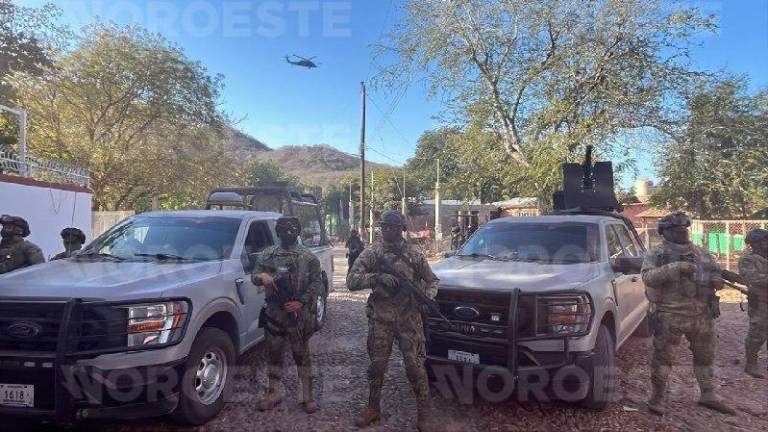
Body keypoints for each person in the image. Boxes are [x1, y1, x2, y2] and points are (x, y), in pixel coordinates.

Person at [347, 209, 439, 431]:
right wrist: (377, 277)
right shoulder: (372, 254)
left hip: (409, 320)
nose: (387, 230)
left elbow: (432, 280)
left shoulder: (414, 255)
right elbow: (351, 280)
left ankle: (425, 413)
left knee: (415, 367)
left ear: (402, 229)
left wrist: (425, 297)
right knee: (376, 367)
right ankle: (372, 408)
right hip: (381, 319)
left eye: (393, 227)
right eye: (384, 226)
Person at [641, 211, 735, 415]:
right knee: (664, 358)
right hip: (670, 315)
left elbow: (714, 273)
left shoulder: (702, 252)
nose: (682, 232)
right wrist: (676, 267)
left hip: (702, 315)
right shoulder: (657, 254)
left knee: (706, 357)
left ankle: (708, 395)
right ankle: (657, 398)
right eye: (676, 229)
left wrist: (717, 281)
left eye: (684, 228)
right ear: (665, 232)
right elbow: (648, 277)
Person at [251, 216, 322, 414]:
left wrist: (302, 301)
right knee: (274, 353)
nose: (288, 232)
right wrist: (261, 277)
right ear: (277, 231)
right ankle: (274, 392)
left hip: (298, 314)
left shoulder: (308, 257)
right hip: (274, 313)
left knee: (301, 354)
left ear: (298, 231)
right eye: (283, 229)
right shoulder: (268, 254)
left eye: (292, 229)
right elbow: (254, 274)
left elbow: (317, 283)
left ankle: (307, 396)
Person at [738, 228, 768, 378]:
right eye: (762, 241)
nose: (765, 244)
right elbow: (752, 278)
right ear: (754, 244)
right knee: (757, 334)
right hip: (761, 302)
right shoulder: (748, 260)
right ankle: (751, 363)